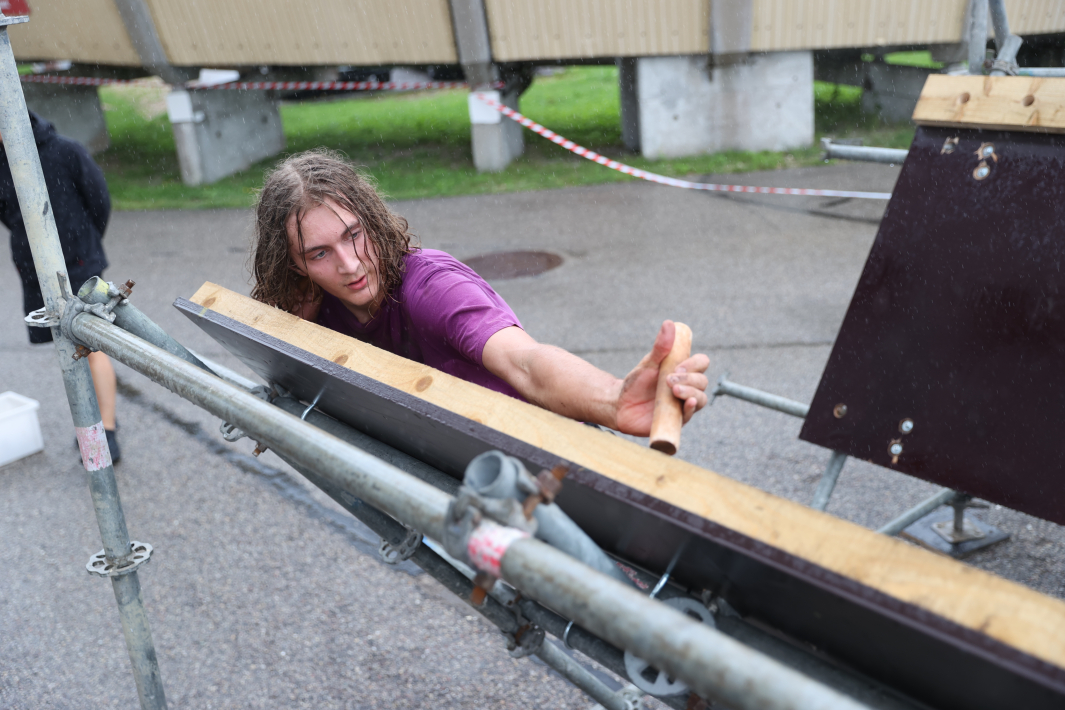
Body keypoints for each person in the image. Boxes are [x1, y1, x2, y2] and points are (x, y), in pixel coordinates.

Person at [251, 149, 709, 436]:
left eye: (354, 235)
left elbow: (524, 361)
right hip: (453, 474)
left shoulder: (430, 288)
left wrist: (612, 398)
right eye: (319, 254)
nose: (350, 265)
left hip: (551, 456)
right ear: (294, 264)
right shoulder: (311, 307)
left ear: (371, 218)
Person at [0, 111, 120, 462]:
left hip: (81, 266)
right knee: (68, 351)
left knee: (92, 346)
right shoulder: (2, 165)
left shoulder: (66, 151)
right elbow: (9, 216)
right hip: (35, 272)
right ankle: (89, 422)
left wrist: (82, 248)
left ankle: (107, 432)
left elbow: (99, 202)